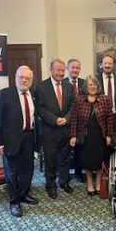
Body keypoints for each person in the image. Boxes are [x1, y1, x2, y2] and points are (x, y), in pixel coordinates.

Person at [0, 65, 39, 218]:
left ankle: (24, 194)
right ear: (15, 77)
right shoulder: (4, 94)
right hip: (10, 139)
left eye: (28, 78)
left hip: (29, 137)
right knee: (12, 172)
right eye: (21, 77)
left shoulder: (33, 94)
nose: (24, 80)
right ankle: (14, 201)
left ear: (31, 80)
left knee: (28, 169)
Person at [36, 59, 76, 199]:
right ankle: (50, 185)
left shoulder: (69, 87)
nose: (60, 73)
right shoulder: (41, 87)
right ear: (51, 70)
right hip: (50, 130)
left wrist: (67, 118)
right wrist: (55, 120)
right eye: (57, 70)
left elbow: (73, 106)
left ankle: (64, 182)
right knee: (50, 160)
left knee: (65, 158)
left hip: (65, 129)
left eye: (62, 70)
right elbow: (40, 109)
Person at [70, 75, 113, 196]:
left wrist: (109, 135)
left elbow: (109, 119)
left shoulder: (104, 99)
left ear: (98, 86)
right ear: (86, 86)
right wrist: (73, 135)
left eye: (95, 84)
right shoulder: (79, 99)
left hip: (100, 135)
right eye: (90, 84)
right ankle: (89, 183)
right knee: (87, 160)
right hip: (85, 135)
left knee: (99, 160)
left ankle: (99, 183)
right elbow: (74, 119)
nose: (93, 87)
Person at [64, 59, 85, 183]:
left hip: (81, 122)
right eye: (73, 68)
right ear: (68, 69)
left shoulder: (84, 83)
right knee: (65, 149)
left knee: (79, 149)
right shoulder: (62, 83)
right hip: (66, 121)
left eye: (77, 68)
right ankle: (65, 174)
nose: (75, 70)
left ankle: (79, 172)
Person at [96, 54, 116, 132]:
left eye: (110, 63)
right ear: (101, 65)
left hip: (115, 115)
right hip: (101, 116)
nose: (107, 65)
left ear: (114, 65)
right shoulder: (96, 79)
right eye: (105, 63)